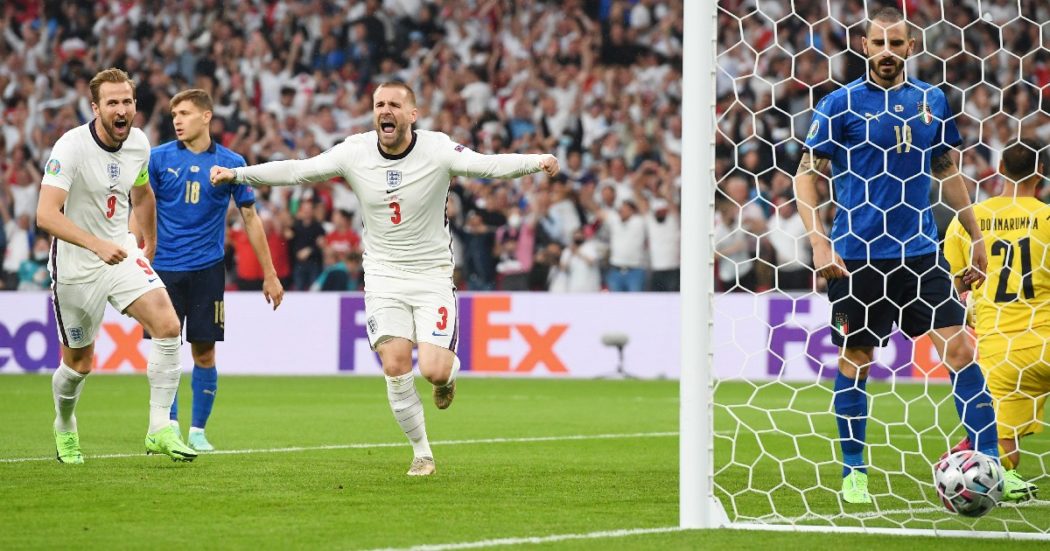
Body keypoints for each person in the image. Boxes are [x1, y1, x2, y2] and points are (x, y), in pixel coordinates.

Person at [211, 81, 559, 476]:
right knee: (395, 366)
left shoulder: (437, 149)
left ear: (413, 114)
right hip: (382, 277)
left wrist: (537, 160)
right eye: (379, 104)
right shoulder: (355, 152)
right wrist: (238, 174)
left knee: (434, 370)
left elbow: (488, 165)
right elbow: (298, 170)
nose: (385, 111)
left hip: (431, 276)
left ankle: (446, 379)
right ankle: (422, 453)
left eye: (394, 104)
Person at [794, 8, 1005, 504]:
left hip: (921, 254)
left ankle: (991, 462)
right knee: (857, 357)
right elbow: (806, 174)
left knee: (960, 350)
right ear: (864, 46)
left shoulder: (931, 100)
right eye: (879, 42)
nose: (887, 51)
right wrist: (819, 241)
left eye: (896, 42)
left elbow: (946, 169)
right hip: (856, 258)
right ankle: (854, 471)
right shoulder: (839, 104)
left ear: (911, 47)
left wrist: (974, 234)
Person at [35, 68, 195, 463]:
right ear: (96, 108)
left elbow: (142, 195)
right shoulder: (70, 147)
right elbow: (46, 215)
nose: (121, 110)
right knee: (79, 364)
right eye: (112, 103)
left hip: (121, 253)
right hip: (76, 265)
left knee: (168, 325)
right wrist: (95, 244)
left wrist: (150, 241)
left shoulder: (138, 143)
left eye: (127, 102)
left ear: (135, 105)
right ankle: (64, 424)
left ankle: (159, 428)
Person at [147, 89, 285, 452]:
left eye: (185, 113)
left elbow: (251, 218)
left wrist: (270, 274)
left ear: (206, 116)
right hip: (163, 269)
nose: (177, 120)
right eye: (174, 114)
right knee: (165, 350)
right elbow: (141, 208)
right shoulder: (158, 159)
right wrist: (137, 254)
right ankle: (167, 427)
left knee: (204, 353)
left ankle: (197, 431)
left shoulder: (231, 163)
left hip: (207, 270)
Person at [943, 139, 1045, 501]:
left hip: (1000, 351)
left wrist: (972, 303)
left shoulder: (968, 220)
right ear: (1041, 173)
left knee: (1000, 446)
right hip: (1046, 339)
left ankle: (986, 468)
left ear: (1000, 169)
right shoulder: (1047, 218)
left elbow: (954, 286)